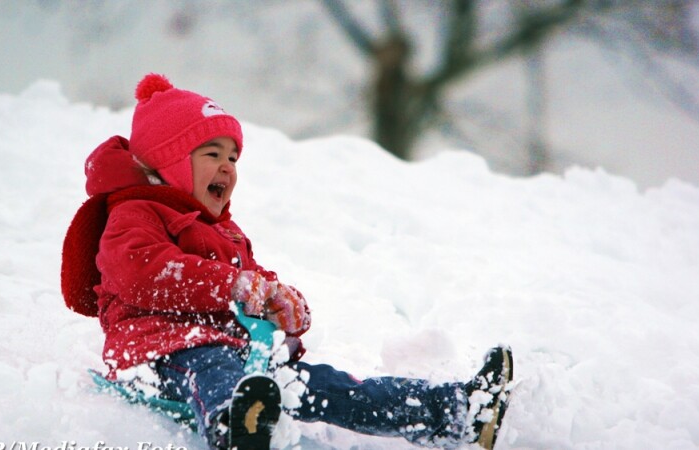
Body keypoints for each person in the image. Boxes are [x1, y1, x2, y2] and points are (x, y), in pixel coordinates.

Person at [61, 73, 513, 450]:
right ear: (170, 161)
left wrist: (281, 305)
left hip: (242, 358)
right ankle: (234, 428)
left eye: (233, 157)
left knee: (333, 387)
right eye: (211, 155)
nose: (227, 167)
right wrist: (231, 287)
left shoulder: (225, 232)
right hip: (159, 352)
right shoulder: (133, 213)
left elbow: (252, 280)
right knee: (213, 366)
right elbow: (143, 271)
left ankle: (454, 413)